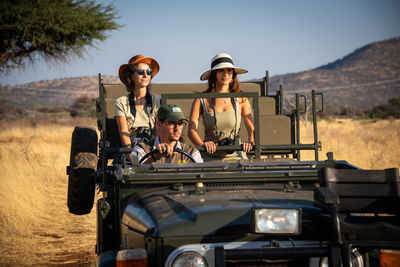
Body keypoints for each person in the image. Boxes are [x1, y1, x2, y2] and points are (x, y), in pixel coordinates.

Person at [188, 53, 255, 160]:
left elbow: (251, 127)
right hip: (209, 157)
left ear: (233, 74)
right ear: (214, 74)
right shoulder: (201, 99)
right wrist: (203, 146)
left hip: (237, 156)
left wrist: (250, 142)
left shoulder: (241, 98)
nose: (226, 74)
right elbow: (191, 130)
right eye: (221, 70)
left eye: (229, 70)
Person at [114, 55, 162, 162]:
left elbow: (159, 129)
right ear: (131, 76)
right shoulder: (121, 102)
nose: (145, 75)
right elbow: (124, 132)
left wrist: (158, 151)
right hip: (133, 145)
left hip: (153, 145)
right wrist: (129, 154)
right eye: (140, 72)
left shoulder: (157, 100)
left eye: (148, 72)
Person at [132, 104, 203, 164]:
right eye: (172, 123)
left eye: (180, 123)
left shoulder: (191, 152)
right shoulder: (142, 149)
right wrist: (154, 158)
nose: (177, 128)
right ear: (159, 123)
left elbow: (200, 176)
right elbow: (135, 174)